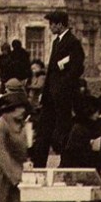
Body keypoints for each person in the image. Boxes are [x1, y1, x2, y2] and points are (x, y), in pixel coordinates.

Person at [32, 10, 85, 166]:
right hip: (50, 97)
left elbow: (76, 68)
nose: (50, 27)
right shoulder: (57, 42)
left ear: (60, 24)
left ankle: (65, 165)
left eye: (52, 24)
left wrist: (62, 88)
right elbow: (52, 71)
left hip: (63, 97)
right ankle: (38, 165)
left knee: (62, 132)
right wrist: (45, 91)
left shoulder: (73, 42)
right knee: (43, 132)